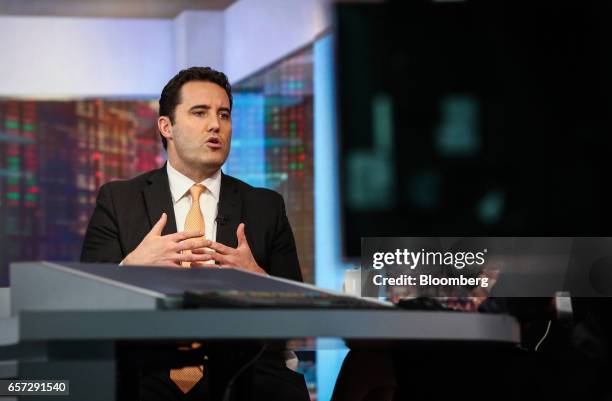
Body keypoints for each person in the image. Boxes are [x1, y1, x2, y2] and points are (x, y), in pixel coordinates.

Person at [81, 66, 309, 401]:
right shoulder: (119, 199)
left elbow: (301, 321)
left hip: (244, 374)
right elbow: (82, 307)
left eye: (224, 114)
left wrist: (259, 281)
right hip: (144, 374)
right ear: (166, 126)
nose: (215, 124)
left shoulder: (265, 206)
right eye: (199, 113)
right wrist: (129, 270)